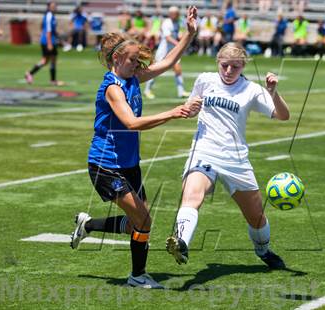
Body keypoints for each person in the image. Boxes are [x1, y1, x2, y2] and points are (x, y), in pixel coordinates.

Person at [70, 6, 200, 289]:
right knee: (144, 220)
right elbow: (131, 123)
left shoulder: (132, 77)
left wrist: (189, 35)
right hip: (106, 165)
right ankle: (137, 276)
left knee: (135, 224)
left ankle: (88, 225)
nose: (138, 66)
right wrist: (173, 112)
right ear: (117, 58)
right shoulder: (113, 88)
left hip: (129, 164)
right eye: (133, 61)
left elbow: (165, 63)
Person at [166, 42, 290, 270]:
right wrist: (190, 109)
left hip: (236, 159)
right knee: (192, 195)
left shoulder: (251, 90)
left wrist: (273, 93)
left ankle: (263, 250)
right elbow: (190, 108)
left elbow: (283, 115)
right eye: (224, 65)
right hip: (204, 150)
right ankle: (181, 241)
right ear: (218, 63)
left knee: (256, 217)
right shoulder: (204, 80)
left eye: (235, 66)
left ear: (243, 65)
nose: (229, 71)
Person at [144, 6, 190, 99]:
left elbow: (178, 34)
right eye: (174, 13)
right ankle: (147, 90)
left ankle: (181, 92)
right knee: (155, 70)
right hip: (163, 50)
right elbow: (168, 37)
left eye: (177, 13)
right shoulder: (167, 23)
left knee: (178, 69)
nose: (176, 15)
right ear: (170, 14)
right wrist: (180, 44)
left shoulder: (178, 22)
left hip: (172, 50)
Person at [25, 1, 63, 86]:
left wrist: (58, 36)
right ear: (48, 7)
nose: (54, 7)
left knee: (46, 61)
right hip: (48, 42)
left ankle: (30, 74)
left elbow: (48, 29)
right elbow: (48, 31)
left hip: (49, 41)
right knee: (50, 60)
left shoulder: (51, 16)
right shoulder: (49, 16)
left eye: (55, 6)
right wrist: (49, 43)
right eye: (52, 6)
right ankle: (52, 80)